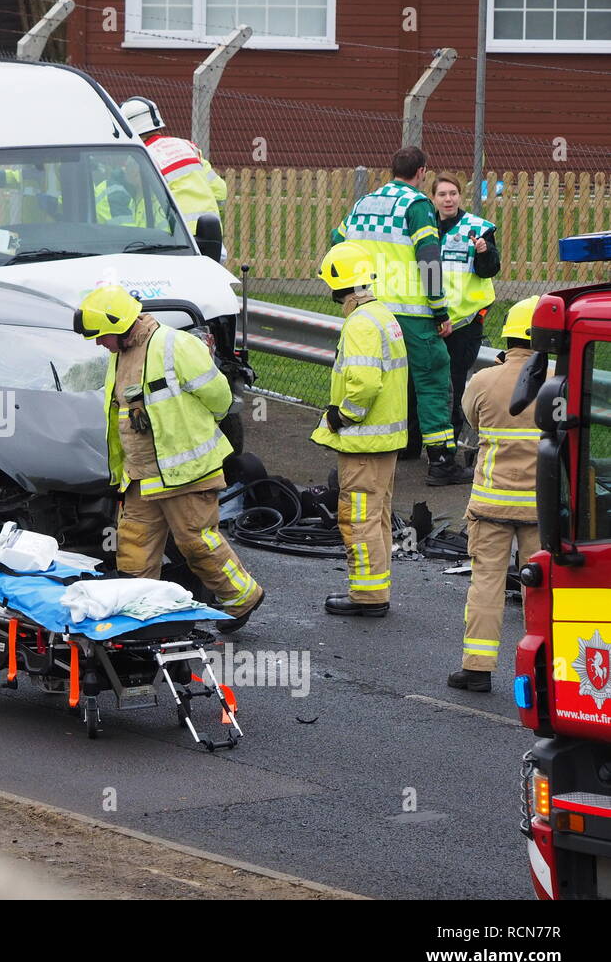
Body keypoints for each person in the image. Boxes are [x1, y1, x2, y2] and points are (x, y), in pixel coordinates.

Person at [74, 285, 265, 632]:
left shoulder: (177, 345)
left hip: (186, 474)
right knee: (133, 548)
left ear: (120, 326)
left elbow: (221, 399)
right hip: (142, 475)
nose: (99, 344)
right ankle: (138, 617)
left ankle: (242, 598)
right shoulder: (120, 355)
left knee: (197, 544)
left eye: (101, 336)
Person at [332, 145, 468, 487]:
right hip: (412, 313)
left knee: (384, 377)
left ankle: (399, 445)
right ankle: (440, 462)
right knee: (433, 381)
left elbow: (337, 241)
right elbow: (428, 258)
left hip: (368, 308)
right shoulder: (417, 205)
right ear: (422, 172)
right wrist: (439, 308)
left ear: (392, 169)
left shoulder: (364, 203)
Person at [310, 243, 410, 617]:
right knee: (377, 516)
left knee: (359, 519)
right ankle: (375, 590)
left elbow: (365, 384)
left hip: (364, 441)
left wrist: (343, 415)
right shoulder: (383, 315)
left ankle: (367, 597)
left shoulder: (360, 324)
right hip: (384, 439)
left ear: (339, 285)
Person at [449, 296, 542, 693]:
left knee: (486, 582)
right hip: (541, 508)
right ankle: (547, 671)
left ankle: (477, 668)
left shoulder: (484, 380)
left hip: (492, 503)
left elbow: (471, 418)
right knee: (541, 588)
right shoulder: (558, 380)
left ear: (508, 336)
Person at [432, 174, 501, 442]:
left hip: (464, 323)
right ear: (434, 198)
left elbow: (490, 270)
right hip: (430, 319)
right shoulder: (423, 227)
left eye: (453, 194)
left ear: (460, 196)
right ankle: (414, 442)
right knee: (419, 382)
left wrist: (484, 252)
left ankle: (448, 444)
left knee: (454, 383)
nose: (448, 199)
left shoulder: (478, 228)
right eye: (442, 194)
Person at [119, 96, 227, 233]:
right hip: (210, 235)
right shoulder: (188, 146)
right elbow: (220, 192)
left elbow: (140, 202)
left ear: (128, 129)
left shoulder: (140, 156)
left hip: (174, 240)